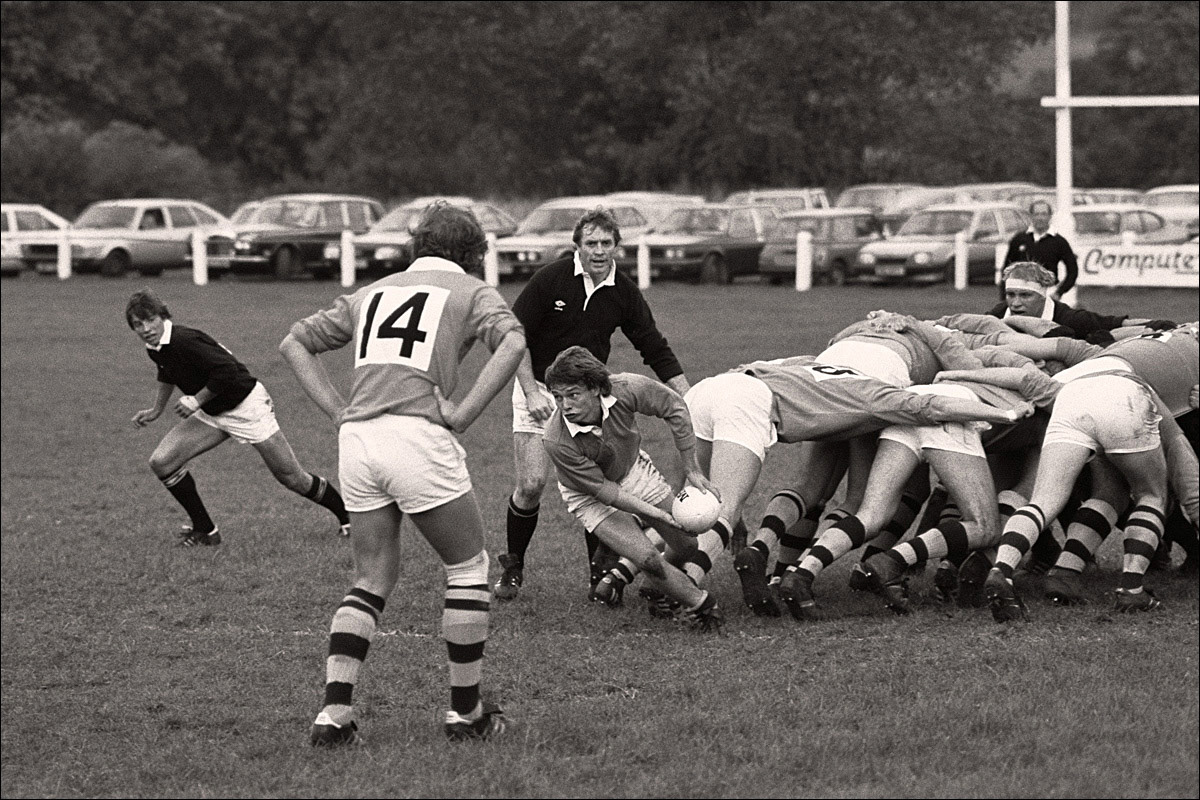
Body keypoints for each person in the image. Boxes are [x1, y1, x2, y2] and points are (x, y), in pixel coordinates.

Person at [279, 202, 526, 747]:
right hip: (415, 437)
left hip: (358, 442)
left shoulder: (374, 291)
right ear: (473, 253)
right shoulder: (471, 291)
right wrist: (461, 414)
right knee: (468, 568)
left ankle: (333, 715)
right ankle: (466, 713)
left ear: (417, 246)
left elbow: (293, 342)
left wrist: (337, 410)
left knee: (370, 578)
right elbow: (513, 341)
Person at [684, 354, 1035, 620]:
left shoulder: (811, 361)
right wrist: (1004, 414)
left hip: (710, 390)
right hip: (759, 403)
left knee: (695, 501)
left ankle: (762, 564)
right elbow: (923, 403)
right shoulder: (875, 388)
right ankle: (687, 588)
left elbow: (758, 364)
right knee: (872, 510)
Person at [495, 207, 692, 603]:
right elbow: (514, 337)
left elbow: (651, 343)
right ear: (577, 247)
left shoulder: (623, 291)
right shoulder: (550, 279)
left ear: (617, 246)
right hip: (537, 387)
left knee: (599, 478)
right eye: (591, 243)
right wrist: (533, 393)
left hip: (588, 397)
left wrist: (687, 393)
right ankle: (514, 565)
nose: (599, 251)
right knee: (531, 485)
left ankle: (599, 575)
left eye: (606, 243)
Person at [126, 289, 350, 547]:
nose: (145, 328)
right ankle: (206, 531)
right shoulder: (155, 346)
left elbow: (227, 371)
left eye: (150, 320)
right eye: (138, 324)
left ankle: (348, 517)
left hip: (246, 407)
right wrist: (156, 410)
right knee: (162, 462)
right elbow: (166, 372)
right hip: (213, 411)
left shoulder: (183, 340)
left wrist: (196, 400)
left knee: (291, 477)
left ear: (162, 316)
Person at [539, 346, 725, 630]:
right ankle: (703, 607)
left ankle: (651, 587)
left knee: (687, 544)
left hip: (632, 468)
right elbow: (607, 493)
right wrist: (656, 514)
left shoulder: (625, 388)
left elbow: (674, 407)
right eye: (558, 397)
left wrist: (691, 468)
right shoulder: (556, 440)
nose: (565, 406)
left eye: (573, 395)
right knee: (648, 558)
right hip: (589, 494)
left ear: (596, 388)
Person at [988, 261, 1172, 341]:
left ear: (1042, 296)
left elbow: (1115, 323)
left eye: (1025, 295)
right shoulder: (998, 313)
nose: (1015, 303)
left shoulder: (1069, 318)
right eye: (1011, 294)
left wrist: (1161, 325)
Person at [1002, 200, 1078, 303]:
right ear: (1030, 216)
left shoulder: (1059, 241)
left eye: (1043, 214)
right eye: (1036, 214)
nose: (1040, 218)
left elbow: (1072, 271)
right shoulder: (1019, 239)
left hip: (1047, 294)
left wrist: (1058, 293)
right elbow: (1006, 269)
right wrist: (1005, 296)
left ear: (1050, 216)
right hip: (1020, 294)